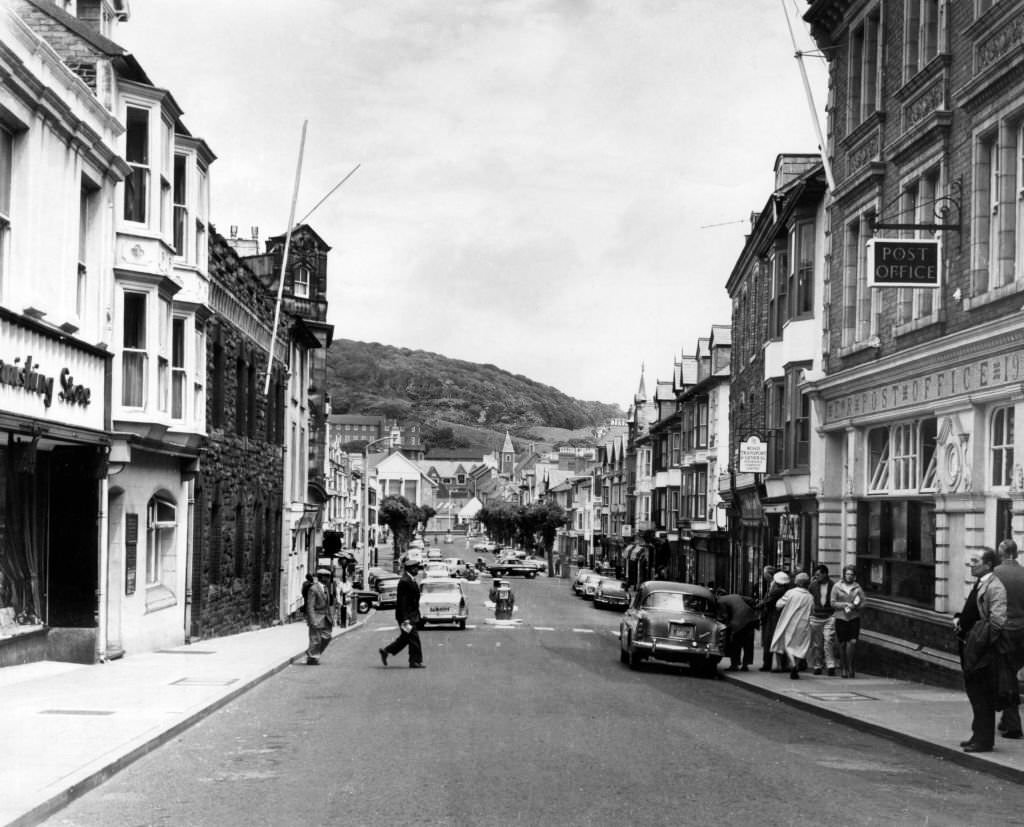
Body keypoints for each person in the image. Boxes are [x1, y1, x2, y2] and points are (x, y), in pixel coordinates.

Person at [956, 548, 1009, 753]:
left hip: (982, 652)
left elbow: (997, 621)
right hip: (972, 647)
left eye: (975, 560)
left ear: (988, 564)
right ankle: (977, 735)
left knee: (983, 696)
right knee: (975, 694)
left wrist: (980, 641)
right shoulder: (981, 583)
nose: (971, 564)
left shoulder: (995, 587)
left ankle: (984, 741)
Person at [993, 539, 1024, 739]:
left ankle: (1013, 724)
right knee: (1011, 672)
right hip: (1023, 631)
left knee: (1006, 675)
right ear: (1017, 553)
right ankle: (1006, 719)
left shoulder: (995, 574)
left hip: (1005, 631)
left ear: (1002, 554)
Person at [379, 557, 425, 669]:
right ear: (410, 569)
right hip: (406, 617)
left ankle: (386, 651)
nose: (417, 570)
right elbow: (402, 602)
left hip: (410, 615)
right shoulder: (405, 581)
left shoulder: (410, 579)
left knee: (405, 638)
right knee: (414, 638)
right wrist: (405, 619)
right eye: (415, 568)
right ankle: (415, 661)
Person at [771, 572, 814, 679]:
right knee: (801, 646)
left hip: (790, 623)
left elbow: (779, 604)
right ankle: (797, 665)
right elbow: (812, 610)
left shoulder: (790, 593)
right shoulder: (810, 597)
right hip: (804, 624)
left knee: (788, 645)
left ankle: (793, 664)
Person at [830, 565, 865, 678]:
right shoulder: (837, 587)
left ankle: (851, 667)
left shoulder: (857, 588)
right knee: (842, 643)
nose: (849, 576)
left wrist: (856, 606)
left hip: (854, 617)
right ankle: (843, 668)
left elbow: (864, 602)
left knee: (853, 642)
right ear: (844, 575)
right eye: (847, 574)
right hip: (841, 617)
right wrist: (845, 604)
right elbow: (832, 603)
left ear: (854, 576)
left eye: (851, 574)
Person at [757, 570, 790, 672]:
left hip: (773, 618)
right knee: (781, 642)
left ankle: (768, 664)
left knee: (769, 641)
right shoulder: (786, 590)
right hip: (780, 618)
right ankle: (782, 664)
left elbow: (767, 601)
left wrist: (758, 605)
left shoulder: (777, 591)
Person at [808, 564, 838, 676]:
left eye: (818, 575)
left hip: (829, 617)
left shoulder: (834, 586)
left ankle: (830, 665)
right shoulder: (812, 586)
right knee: (817, 644)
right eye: (815, 575)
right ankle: (817, 665)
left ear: (825, 574)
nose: (816, 577)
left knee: (828, 641)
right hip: (816, 617)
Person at [717, 592, 757, 671]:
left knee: (735, 642)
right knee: (748, 642)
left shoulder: (720, 601)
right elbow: (751, 600)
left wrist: (726, 624)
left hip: (738, 620)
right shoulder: (735, 595)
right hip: (751, 618)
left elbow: (724, 616)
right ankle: (745, 665)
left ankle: (734, 665)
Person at [304, 567, 334, 665]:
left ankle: (312, 653)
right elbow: (310, 606)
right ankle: (313, 657)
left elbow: (328, 605)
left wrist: (332, 618)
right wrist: (312, 620)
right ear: (321, 577)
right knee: (315, 639)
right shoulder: (313, 589)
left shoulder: (326, 588)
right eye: (327, 577)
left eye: (329, 577)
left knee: (327, 637)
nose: (329, 579)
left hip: (326, 617)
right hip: (316, 616)